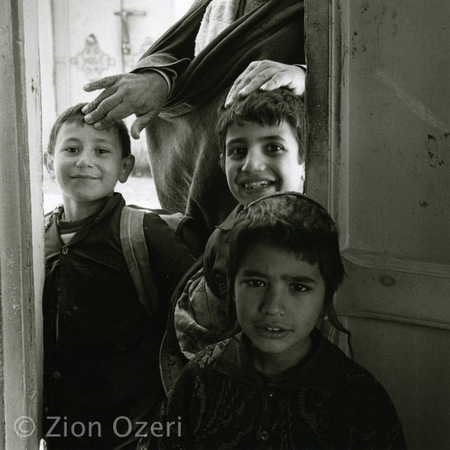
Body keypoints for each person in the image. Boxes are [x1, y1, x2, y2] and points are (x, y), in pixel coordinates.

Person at [140, 193, 407, 449]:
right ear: (233, 288)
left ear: (327, 296)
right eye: (256, 283)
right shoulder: (199, 380)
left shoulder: (360, 400)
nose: (272, 307)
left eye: (299, 287)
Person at [81, 0, 307, 240]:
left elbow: (347, 70)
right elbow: (183, 56)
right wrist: (159, 79)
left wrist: (304, 75)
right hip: (212, 171)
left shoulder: (325, 9)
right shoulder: (217, 4)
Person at [42, 103, 196, 449]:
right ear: (49, 161)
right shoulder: (38, 240)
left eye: (101, 150)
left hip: (137, 433)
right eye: (71, 149)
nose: (84, 160)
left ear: (124, 167)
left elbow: (199, 313)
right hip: (61, 433)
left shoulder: (142, 232)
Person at [160, 88, 309, 391]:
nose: (251, 165)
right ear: (221, 161)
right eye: (238, 151)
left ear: (304, 156)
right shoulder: (224, 243)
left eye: (273, 148)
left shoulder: (328, 228)